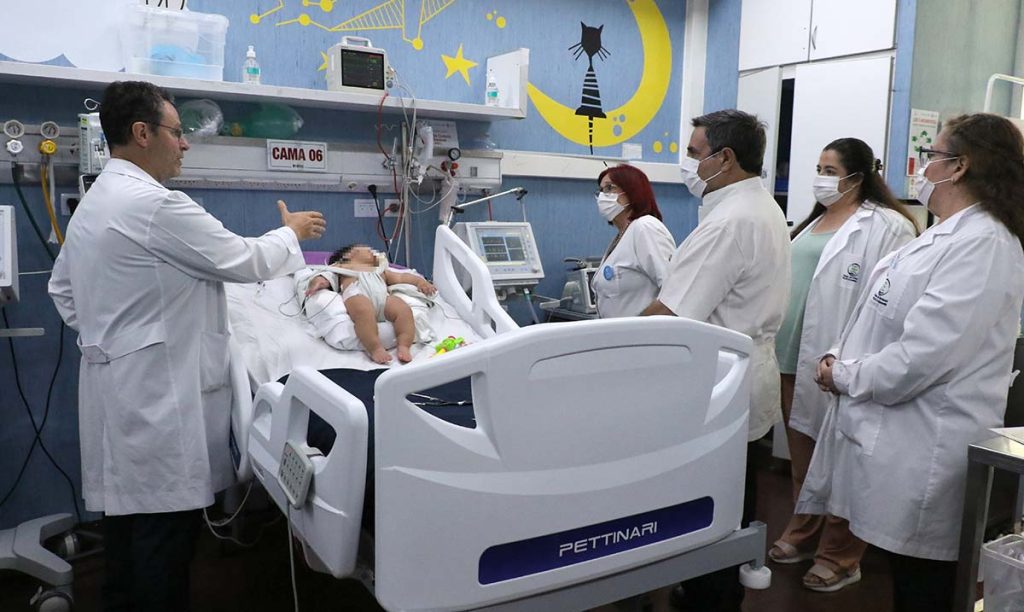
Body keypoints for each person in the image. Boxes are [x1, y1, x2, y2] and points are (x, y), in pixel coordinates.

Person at [47, 80, 326, 612]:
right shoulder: (155, 205)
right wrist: (291, 232)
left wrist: (113, 339)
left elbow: (62, 289)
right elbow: (244, 260)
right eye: (176, 132)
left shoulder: (98, 200)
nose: (185, 143)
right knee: (162, 545)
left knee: (126, 537)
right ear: (141, 132)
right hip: (159, 401)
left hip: (119, 392)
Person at [800, 113, 1024, 612]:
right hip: (898, 439)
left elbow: (921, 358)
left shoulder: (984, 244)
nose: (924, 168)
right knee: (908, 582)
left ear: (959, 166)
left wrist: (844, 375)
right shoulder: (945, 234)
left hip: (927, 448)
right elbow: (880, 317)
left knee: (925, 588)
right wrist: (841, 353)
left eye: (932, 156)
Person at [642, 109, 791, 611]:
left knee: (710, 506)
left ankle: (711, 596)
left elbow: (670, 313)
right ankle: (717, 591)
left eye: (693, 153)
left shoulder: (730, 222)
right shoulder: (761, 207)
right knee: (734, 495)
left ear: (724, 158)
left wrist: (606, 346)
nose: (687, 163)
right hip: (745, 374)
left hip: (719, 383)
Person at [770, 138, 917, 592]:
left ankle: (842, 554)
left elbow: (891, 300)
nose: (821, 178)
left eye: (830, 170)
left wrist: (854, 360)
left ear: (858, 175)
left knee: (845, 462)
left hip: (844, 361)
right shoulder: (812, 221)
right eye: (818, 168)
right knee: (803, 455)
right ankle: (803, 531)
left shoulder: (887, 225)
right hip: (793, 355)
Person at [300, 244, 437, 363]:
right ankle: (375, 348)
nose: (374, 252)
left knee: (404, 310)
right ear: (349, 254)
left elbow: (401, 277)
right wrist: (319, 282)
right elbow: (327, 276)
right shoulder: (342, 267)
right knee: (363, 312)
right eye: (368, 250)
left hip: (383, 298)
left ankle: (404, 345)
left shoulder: (380, 270)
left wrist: (421, 282)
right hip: (356, 293)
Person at [590, 164, 675, 318]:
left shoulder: (645, 227)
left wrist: (637, 324)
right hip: (620, 331)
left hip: (642, 331)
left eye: (609, 188)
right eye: (601, 190)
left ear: (632, 192)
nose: (602, 196)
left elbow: (673, 293)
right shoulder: (623, 235)